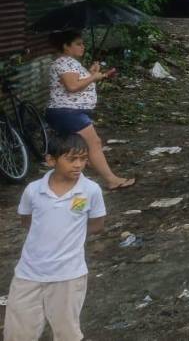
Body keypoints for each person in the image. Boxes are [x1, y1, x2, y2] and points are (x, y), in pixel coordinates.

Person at [4, 133, 105, 341]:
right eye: (71, 159)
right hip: (28, 273)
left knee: (67, 331)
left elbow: (96, 224)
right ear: (51, 160)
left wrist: (69, 235)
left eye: (83, 159)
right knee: (18, 331)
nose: (78, 165)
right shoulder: (33, 191)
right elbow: (27, 221)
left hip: (68, 274)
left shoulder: (90, 190)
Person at [45, 30, 134, 191]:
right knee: (94, 143)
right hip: (69, 112)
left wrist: (92, 74)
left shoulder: (68, 62)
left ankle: (68, 182)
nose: (82, 47)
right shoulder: (65, 62)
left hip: (69, 112)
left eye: (83, 43)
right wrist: (93, 77)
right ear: (66, 46)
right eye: (78, 44)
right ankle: (111, 180)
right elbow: (72, 86)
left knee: (77, 147)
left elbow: (78, 83)